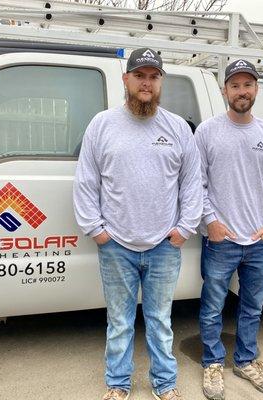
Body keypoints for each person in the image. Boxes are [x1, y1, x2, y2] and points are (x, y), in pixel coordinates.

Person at [73, 47, 202, 400]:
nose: (146, 83)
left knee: (160, 322)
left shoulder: (177, 128)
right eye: (140, 76)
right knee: (120, 323)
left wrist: (185, 228)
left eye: (153, 77)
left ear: (161, 82)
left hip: (164, 245)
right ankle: (118, 384)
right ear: (126, 79)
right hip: (116, 245)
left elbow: (193, 183)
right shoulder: (102, 125)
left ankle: (165, 383)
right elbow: (86, 181)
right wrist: (96, 230)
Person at [195, 59, 263, 399]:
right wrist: (211, 223)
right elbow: (196, 184)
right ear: (225, 91)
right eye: (235, 85)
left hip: (259, 242)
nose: (242, 91)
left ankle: (246, 360)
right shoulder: (208, 132)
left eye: (248, 85)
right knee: (212, 305)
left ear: (256, 90)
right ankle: (212, 362)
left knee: (252, 306)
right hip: (221, 241)